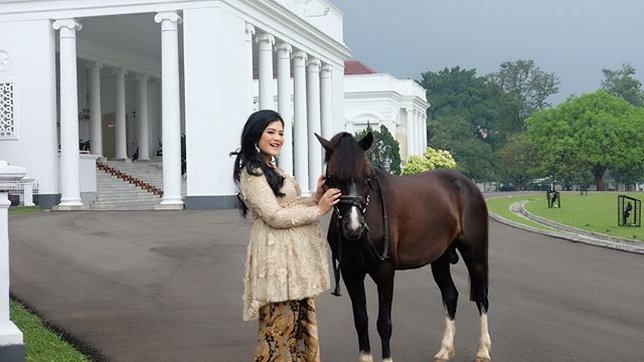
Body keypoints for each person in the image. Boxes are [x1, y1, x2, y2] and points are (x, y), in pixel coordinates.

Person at [230, 109, 341, 361]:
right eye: (271, 132)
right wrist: (319, 209)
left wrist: (315, 197)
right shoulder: (252, 171)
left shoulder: (271, 167)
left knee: (298, 322)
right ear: (255, 134)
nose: (277, 137)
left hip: (293, 261)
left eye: (281, 132)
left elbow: (286, 206)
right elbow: (274, 216)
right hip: (276, 259)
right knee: (279, 327)